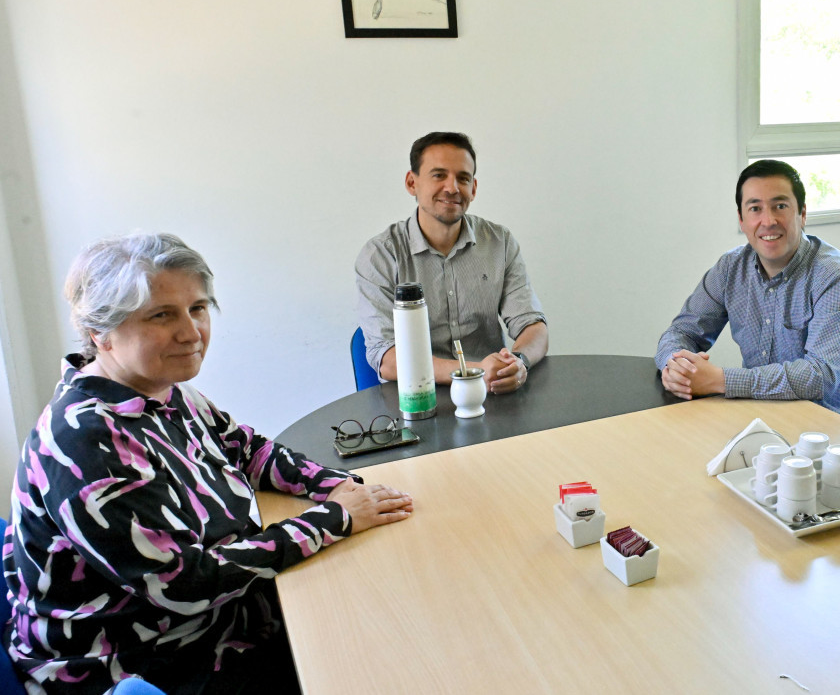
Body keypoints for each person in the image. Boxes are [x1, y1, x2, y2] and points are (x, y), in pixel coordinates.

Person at [3, 233, 414, 695]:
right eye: (162, 315)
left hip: (214, 616)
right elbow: (182, 584)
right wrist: (335, 517)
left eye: (197, 308)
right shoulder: (85, 439)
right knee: (371, 656)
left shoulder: (162, 390)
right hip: (136, 663)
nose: (191, 332)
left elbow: (250, 450)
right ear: (101, 332)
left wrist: (342, 486)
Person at [655, 159, 840, 420]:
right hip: (759, 415)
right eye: (755, 208)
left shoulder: (836, 275)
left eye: (780, 206)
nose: (768, 221)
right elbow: (681, 331)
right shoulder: (730, 267)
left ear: (802, 214)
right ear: (742, 220)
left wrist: (721, 380)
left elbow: (820, 377)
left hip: (831, 426)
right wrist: (675, 366)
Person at [355, 132, 548, 394]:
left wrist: (518, 363)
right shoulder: (380, 255)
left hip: (491, 393)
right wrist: (474, 371)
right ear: (412, 183)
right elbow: (387, 359)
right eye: (439, 175)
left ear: (474, 188)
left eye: (463, 178)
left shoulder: (499, 243)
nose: (452, 188)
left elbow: (533, 326)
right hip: (418, 399)